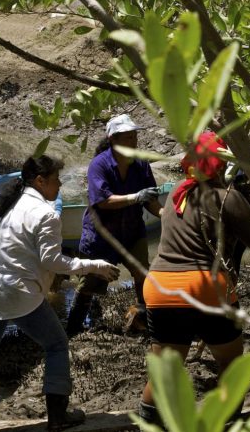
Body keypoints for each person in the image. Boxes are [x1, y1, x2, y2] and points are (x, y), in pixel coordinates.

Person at [0, 156, 120, 432]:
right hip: (20, 294)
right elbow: (53, 262)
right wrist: (93, 266)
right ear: (40, 181)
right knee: (57, 344)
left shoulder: (8, 205)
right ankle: (57, 416)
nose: (60, 184)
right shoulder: (46, 214)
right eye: (56, 179)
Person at [138, 132, 250, 424]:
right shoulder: (226, 196)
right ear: (222, 164)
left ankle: (149, 426)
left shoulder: (177, 192)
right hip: (206, 289)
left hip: (161, 287)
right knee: (231, 365)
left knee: (164, 374)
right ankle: (222, 424)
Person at [66, 114, 163, 336]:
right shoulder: (99, 165)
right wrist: (135, 197)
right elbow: (104, 201)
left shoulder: (140, 164)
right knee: (90, 283)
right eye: (128, 137)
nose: (133, 141)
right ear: (113, 140)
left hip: (132, 232)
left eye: (135, 136)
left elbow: (150, 200)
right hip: (102, 236)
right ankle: (72, 330)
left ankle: (145, 321)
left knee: (142, 275)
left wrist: (166, 214)